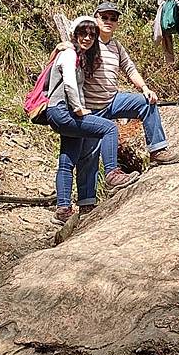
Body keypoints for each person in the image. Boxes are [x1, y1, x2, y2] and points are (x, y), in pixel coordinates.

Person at [73, 2, 179, 214]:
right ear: (96, 18)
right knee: (89, 154)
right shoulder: (88, 42)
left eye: (113, 18)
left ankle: (157, 150)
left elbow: (129, 68)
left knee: (146, 102)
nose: (109, 21)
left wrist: (145, 88)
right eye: (104, 17)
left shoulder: (116, 46)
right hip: (90, 108)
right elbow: (70, 52)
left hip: (112, 100)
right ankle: (86, 203)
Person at [46, 16, 140, 223]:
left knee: (67, 159)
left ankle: (63, 209)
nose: (87, 38)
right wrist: (80, 109)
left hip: (60, 112)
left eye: (91, 35)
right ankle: (113, 174)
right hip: (63, 111)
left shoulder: (74, 54)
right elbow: (70, 84)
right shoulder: (70, 54)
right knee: (108, 128)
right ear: (75, 34)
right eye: (83, 33)